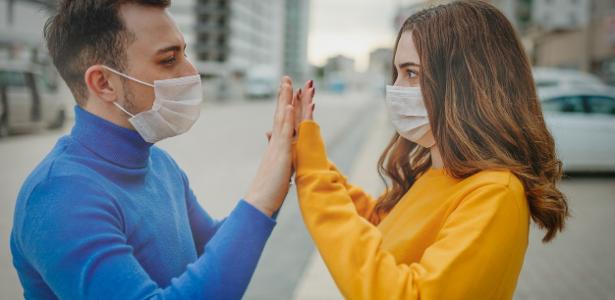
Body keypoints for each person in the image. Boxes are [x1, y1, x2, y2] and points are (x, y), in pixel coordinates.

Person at [10, 0, 297, 298]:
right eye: (169, 59)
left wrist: (278, 172)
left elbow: (213, 244)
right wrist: (261, 197)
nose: (191, 72)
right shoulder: (57, 197)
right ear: (104, 82)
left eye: (185, 53)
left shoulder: (160, 164)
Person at [286, 1, 569, 299]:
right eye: (396, 73)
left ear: (466, 82)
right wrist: (306, 155)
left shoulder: (495, 193)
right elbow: (379, 223)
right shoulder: (438, 172)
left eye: (411, 73)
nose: (395, 89)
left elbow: (409, 294)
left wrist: (313, 175)